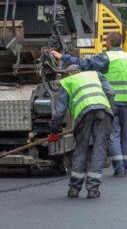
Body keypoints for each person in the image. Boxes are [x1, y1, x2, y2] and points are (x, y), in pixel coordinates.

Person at [50, 31, 127, 177]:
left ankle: (119, 168)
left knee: (113, 134)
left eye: (106, 41)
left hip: (112, 100)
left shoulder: (107, 57)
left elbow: (85, 64)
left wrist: (63, 57)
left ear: (109, 42)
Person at [48, 65, 114, 199]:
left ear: (68, 74)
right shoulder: (95, 74)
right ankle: (93, 189)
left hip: (84, 114)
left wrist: (54, 129)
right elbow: (111, 93)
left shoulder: (67, 82)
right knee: (99, 149)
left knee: (81, 149)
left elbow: (59, 112)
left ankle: (74, 188)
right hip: (104, 112)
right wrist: (108, 109)